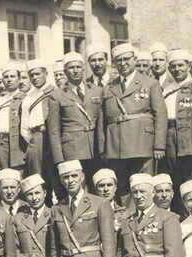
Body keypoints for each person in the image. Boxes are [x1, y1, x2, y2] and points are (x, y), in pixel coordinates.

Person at [98, 43, 167, 197]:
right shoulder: (109, 87)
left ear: (134, 59)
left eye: (126, 59)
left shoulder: (150, 83)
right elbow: (102, 120)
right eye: (119, 60)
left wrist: (159, 146)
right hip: (117, 146)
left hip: (142, 143)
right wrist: (103, 148)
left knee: (143, 185)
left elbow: (160, 115)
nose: (123, 63)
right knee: (122, 187)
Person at [46, 52, 103, 187]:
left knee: (96, 185)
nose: (75, 70)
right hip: (72, 150)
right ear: (65, 71)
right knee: (77, 188)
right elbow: (54, 131)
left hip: (95, 148)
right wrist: (59, 158)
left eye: (78, 67)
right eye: (71, 68)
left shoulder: (96, 91)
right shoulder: (57, 95)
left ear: (84, 68)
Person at [162, 49, 192, 198]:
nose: (177, 69)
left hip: (189, 137)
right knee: (173, 175)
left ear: (188, 66)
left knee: (190, 175)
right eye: (173, 66)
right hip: (169, 135)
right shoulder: (166, 89)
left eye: (180, 65)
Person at [19, 60, 57, 182]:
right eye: (32, 75)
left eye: (37, 74)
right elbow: (24, 126)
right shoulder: (28, 97)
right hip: (36, 138)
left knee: (55, 176)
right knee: (38, 178)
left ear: (46, 73)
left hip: (53, 138)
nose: (35, 77)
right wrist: (34, 140)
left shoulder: (55, 91)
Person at [0, 70, 26, 181]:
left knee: (21, 179)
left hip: (20, 145)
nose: (9, 79)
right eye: (6, 77)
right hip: (3, 145)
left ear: (19, 79)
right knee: (4, 180)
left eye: (12, 76)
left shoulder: (26, 98)